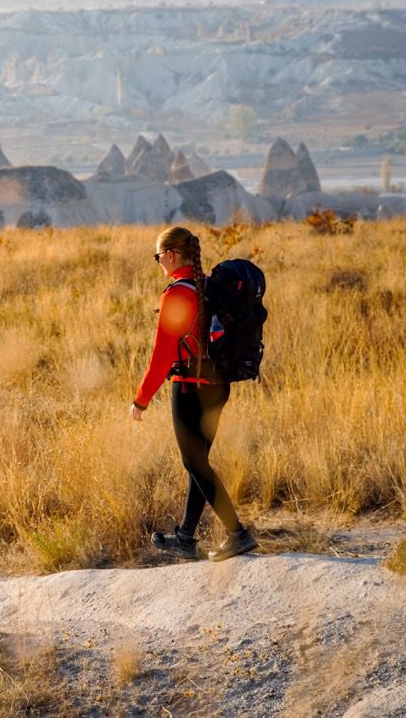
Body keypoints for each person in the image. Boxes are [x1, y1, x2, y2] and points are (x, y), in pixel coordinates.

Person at [129, 226, 257, 562]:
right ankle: (185, 536)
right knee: (198, 464)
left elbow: (162, 357)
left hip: (189, 388)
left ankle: (237, 533)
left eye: (158, 257)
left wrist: (140, 400)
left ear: (170, 255)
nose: (159, 263)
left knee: (194, 462)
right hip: (218, 388)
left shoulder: (176, 294)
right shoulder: (206, 288)